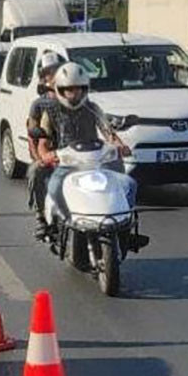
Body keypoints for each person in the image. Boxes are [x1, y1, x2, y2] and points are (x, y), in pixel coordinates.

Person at [29, 62, 132, 237]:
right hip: (64, 163)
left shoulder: (93, 109)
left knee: (127, 184)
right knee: (43, 178)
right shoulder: (49, 111)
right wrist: (46, 156)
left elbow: (108, 132)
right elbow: (43, 144)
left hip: (96, 161)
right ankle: (43, 219)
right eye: (69, 89)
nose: (74, 94)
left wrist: (120, 146)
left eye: (78, 89)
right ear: (60, 90)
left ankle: (125, 224)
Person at [26, 52, 66, 238]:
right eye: (49, 72)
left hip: (79, 155)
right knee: (35, 171)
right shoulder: (39, 105)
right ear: (43, 77)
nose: (54, 75)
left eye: (57, 70)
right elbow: (34, 138)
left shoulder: (79, 98)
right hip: (50, 155)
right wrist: (40, 158)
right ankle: (41, 216)